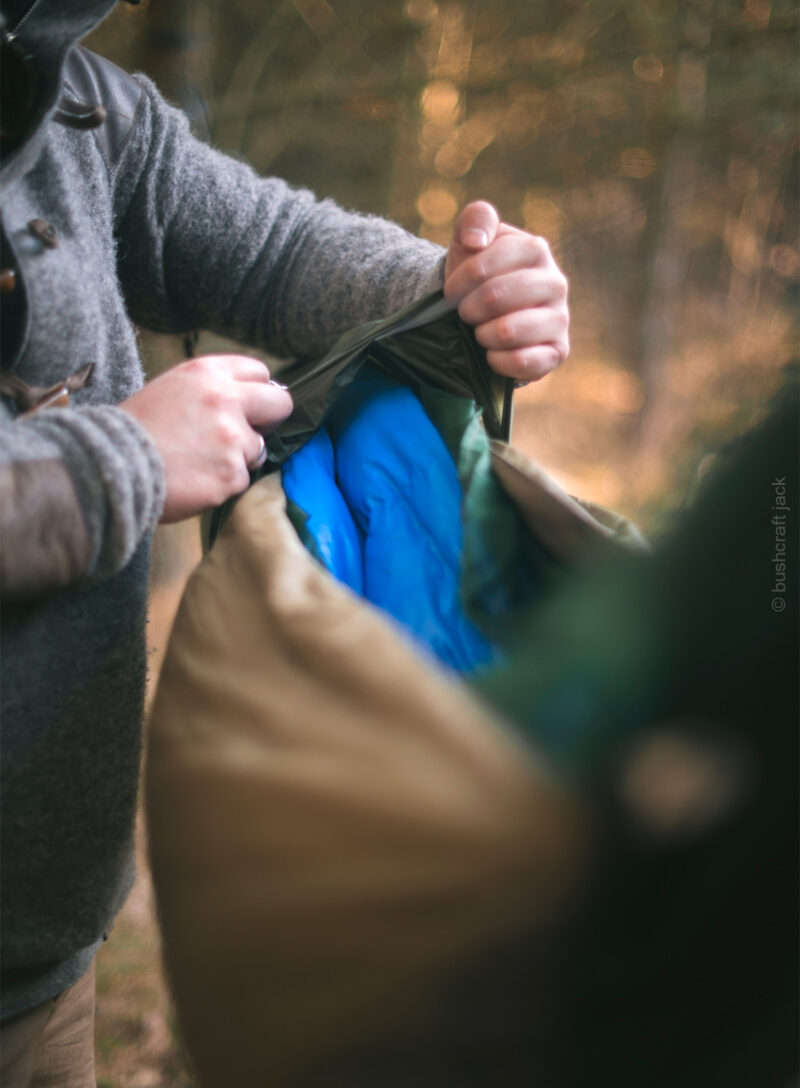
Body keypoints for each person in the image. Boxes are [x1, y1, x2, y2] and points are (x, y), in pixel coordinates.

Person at [0, 0, 570, 1082]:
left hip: (40, 954)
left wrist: (455, 293)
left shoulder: (75, 101)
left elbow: (265, 248)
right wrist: (120, 459)